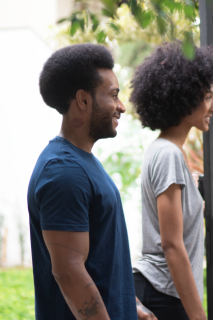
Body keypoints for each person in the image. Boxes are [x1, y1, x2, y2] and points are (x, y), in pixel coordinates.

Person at [27, 43, 138, 320]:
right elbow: (69, 272)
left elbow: (102, 258)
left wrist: (132, 305)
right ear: (84, 100)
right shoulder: (64, 170)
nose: (121, 106)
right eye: (113, 95)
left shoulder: (81, 162)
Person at [129, 42, 213, 320]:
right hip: (164, 295)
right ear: (184, 98)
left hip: (164, 292)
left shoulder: (166, 152)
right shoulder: (169, 154)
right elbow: (171, 245)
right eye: (207, 97)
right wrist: (198, 316)